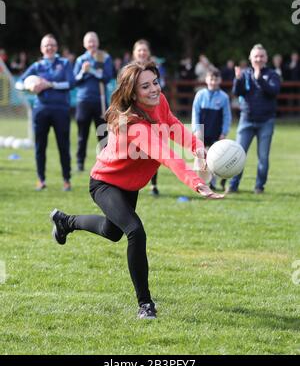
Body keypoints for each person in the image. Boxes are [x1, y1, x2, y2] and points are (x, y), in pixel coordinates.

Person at [50, 61, 224, 320]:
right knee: (135, 232)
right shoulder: (135, 126)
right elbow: (167, 156)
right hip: (105, 183)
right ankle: (145, 305)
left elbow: (173, 125)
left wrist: (198, 146)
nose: (154, 89)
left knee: (112, 232)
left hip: (130, 186)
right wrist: (195, 182)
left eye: (155, 82)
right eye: (146, 86)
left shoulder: (159, 101)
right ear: (133, 93)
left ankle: (65, 222)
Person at [20, 34, 74, 191]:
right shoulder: (37, 66)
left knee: (63, 145)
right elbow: (19, 82)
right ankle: (41, 179)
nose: (49, 48)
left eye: (52, 45)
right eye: (46, 45)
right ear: (41, 49)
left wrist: (49, 84)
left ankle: (66, 179)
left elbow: (71, 83)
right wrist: (29, 87)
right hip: (41, 110)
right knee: (40, 146)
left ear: (56, 47)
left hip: (61, 110)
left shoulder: (64, 64)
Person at [227, 44, 280, 194]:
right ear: (251, 58)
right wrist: (237, 79)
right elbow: (237, 92)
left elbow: (274, 91)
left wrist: (260, 78)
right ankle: (233, 185)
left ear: (266, 58)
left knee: (263, 157)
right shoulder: (244, 74)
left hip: (266, 121)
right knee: (238, 155)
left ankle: (259, 187)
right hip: (246, 120)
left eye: (261, 56)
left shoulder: (272, 74)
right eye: (256, 56)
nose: (259, 59)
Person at [73, 32, 114, 172]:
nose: (92, 44)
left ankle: (107, 163)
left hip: (100, 102)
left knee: (103, 135)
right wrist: (84, 72)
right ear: (85, 44)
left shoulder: (104, 58)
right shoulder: (80, 60)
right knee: (82, 135)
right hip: (83, 101)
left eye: (94, 41)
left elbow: (108, 77)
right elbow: (75, 81)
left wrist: (93, 71)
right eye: (89, 42)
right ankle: (80, 163)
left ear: (98, 42)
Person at [192, 68, 232, 191]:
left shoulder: (224, 97)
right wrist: (196, 130)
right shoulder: (200, 95)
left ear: (220, 80)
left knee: (214, 159)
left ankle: (212, 182)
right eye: (211, 79)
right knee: (200, 158)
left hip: (216, 133)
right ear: (206, 79)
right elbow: (195, 113)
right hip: (202, 133)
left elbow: (227, 116)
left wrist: (224, 132)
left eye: (216, 79)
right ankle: (199, 182)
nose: (213, 82)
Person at [132, 39, 160, 196]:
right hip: (134, 118)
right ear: (134, 53)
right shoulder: (129, 71)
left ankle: (153, 184)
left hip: (151, 115)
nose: (142, 53)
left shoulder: (153, 69)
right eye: (139, 50)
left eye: (144, 50)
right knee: (134, 152)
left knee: (154, 151)